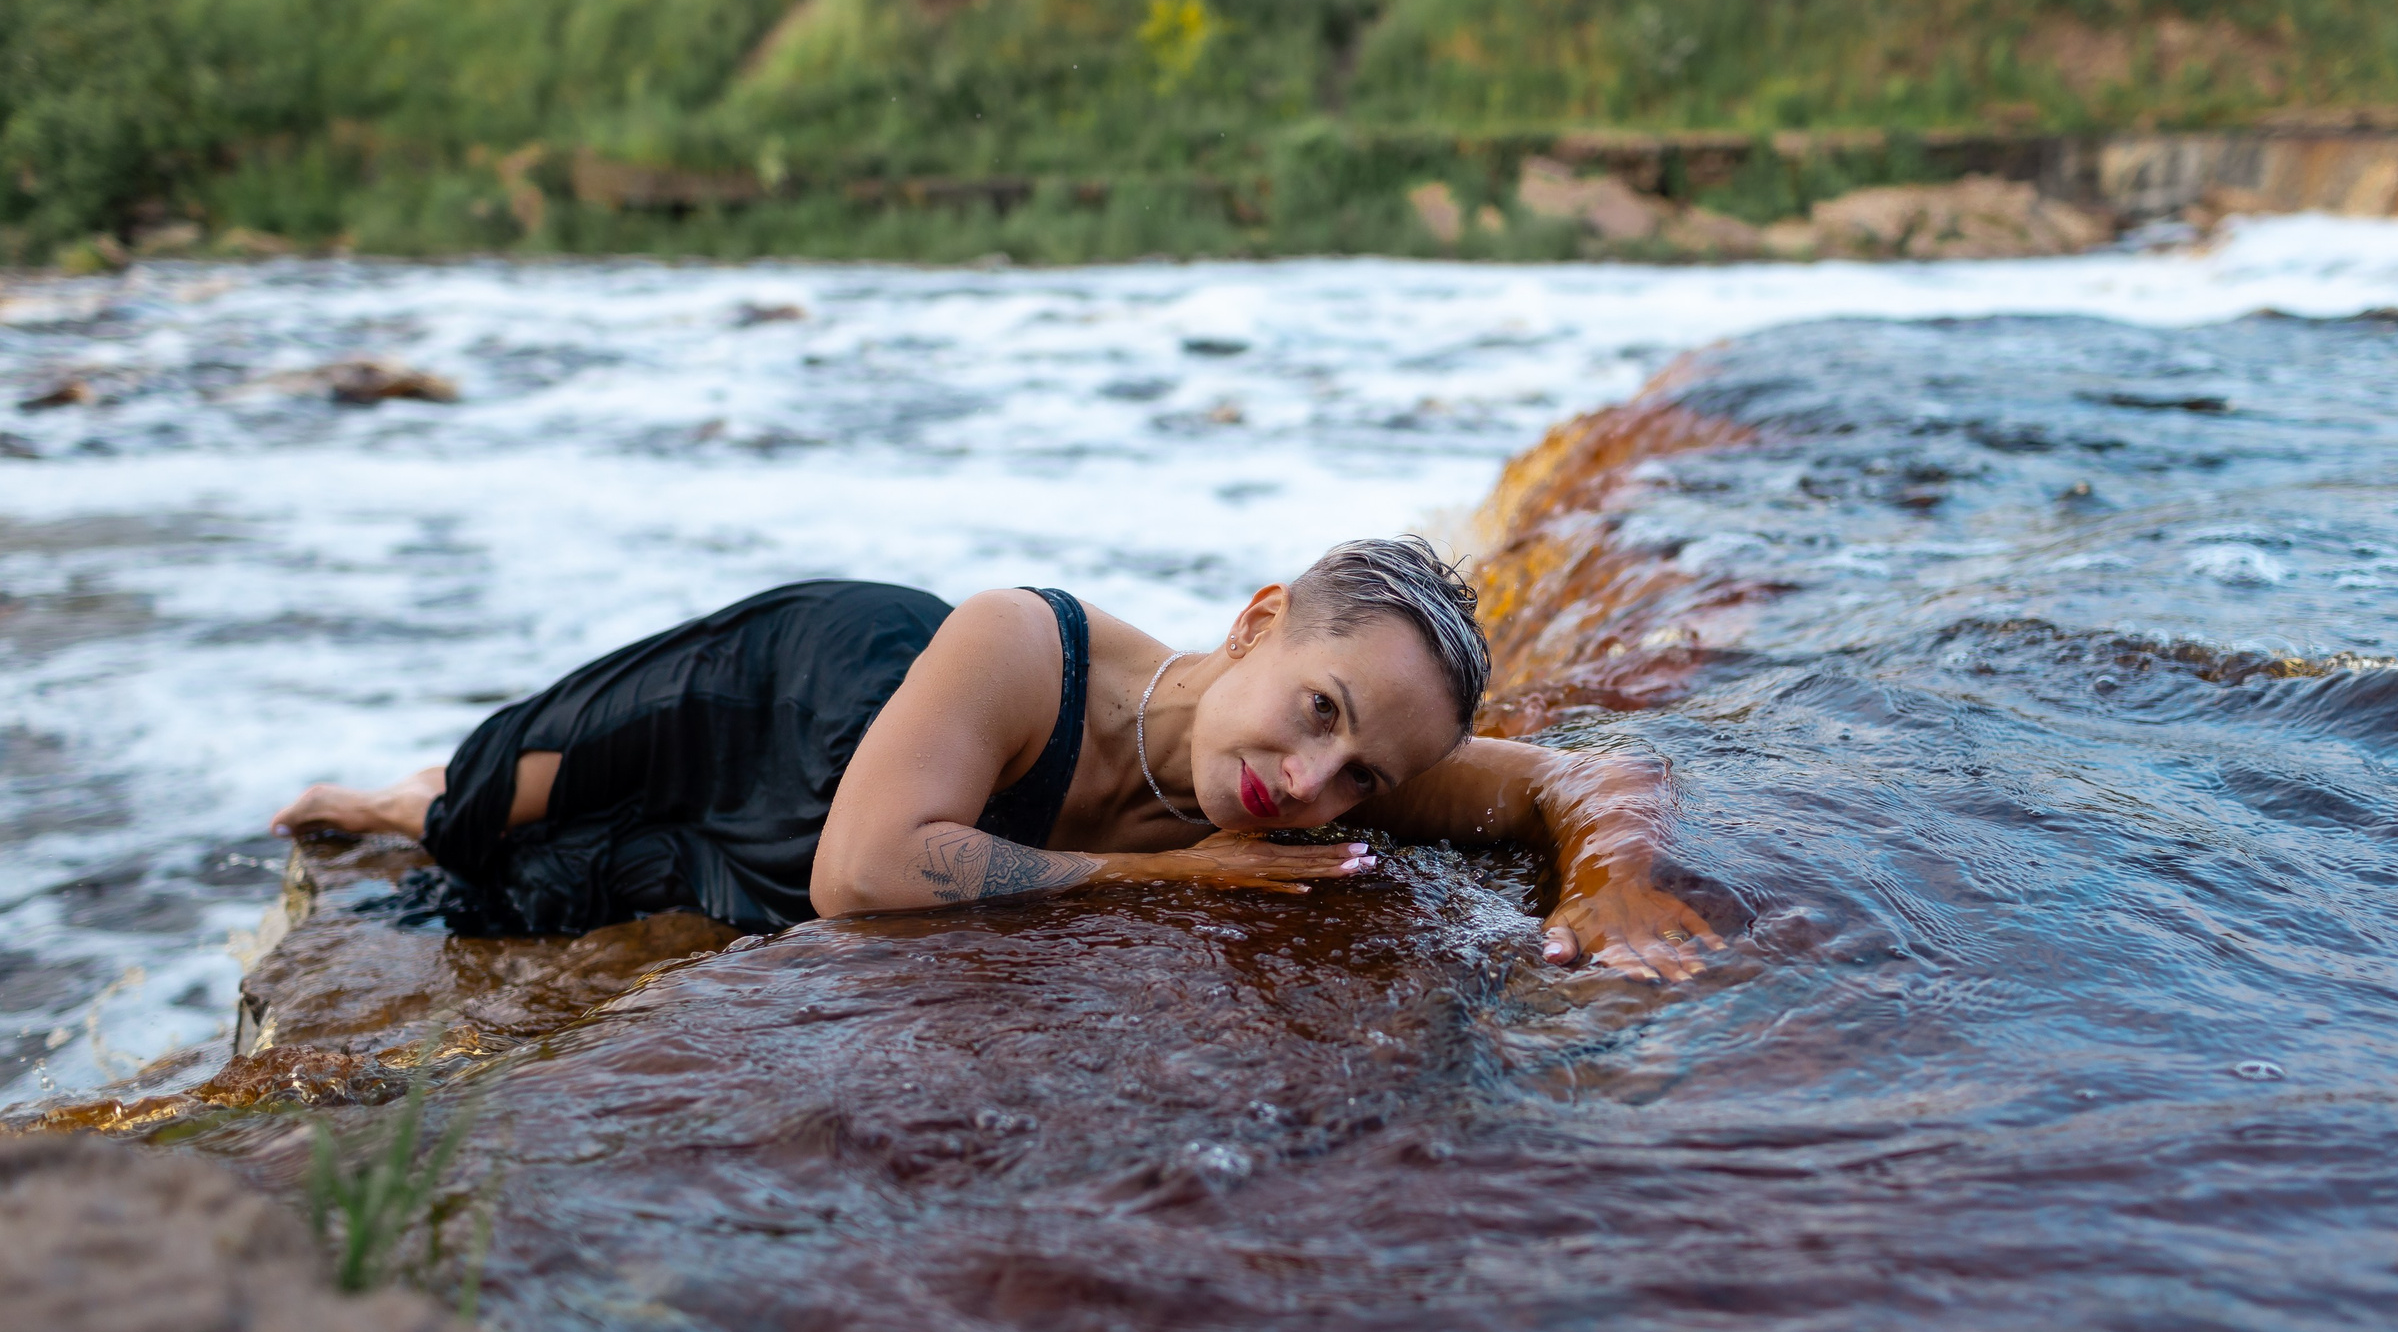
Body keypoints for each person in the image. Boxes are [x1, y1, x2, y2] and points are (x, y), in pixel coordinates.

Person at [271, 537, 1715, 980]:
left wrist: (1612, 890)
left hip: (788, 842)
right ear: (1263, 620)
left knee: (545, 900)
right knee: (477, 812)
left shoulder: (1343, 768)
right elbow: (862, 874)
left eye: (1362, 782)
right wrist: (1165, 878)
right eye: (1319, 711)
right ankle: (402, 791)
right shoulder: (1028, 641)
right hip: (786, 699)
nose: (1312, 782)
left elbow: (1567, 781)